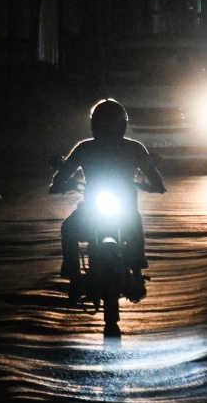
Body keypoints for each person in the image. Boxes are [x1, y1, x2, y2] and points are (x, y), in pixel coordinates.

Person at [50, 98, 165, 285]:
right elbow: (64, 172)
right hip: (92, 208)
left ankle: (137, 271)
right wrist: (59, 183)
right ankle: (74, 275)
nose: (108, 128)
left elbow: (152, 174)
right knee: (69, 229)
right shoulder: (86, 148)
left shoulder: (132, 148)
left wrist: (156, 185)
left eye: (111, 123)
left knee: (134, 224)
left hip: (124, 208)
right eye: (104, 123)